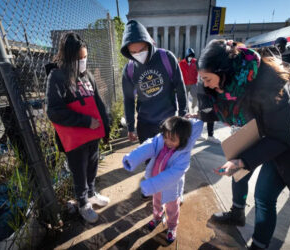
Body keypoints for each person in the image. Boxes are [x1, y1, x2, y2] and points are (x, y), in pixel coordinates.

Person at [196, 39, 290, 249]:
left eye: (208, 79)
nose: (206, 84)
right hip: (261, 130)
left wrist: (243, 160)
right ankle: (237, 214)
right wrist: (202, 111)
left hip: (289, 140)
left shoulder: (267, 81)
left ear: (224, 70)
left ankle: (260, 244)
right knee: (238, 172)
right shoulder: (226, 81)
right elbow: (217, 106)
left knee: (264, 194)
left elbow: (281, 137)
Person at [46, 32, 110, 223]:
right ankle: (83, 204)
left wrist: (105, 127)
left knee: (92, 167)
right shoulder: (56, 77)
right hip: (75, 139)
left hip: (92, 136)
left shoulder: (87, 75)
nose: (83, 62)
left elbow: (99, 103)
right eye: (78, 58)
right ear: (68, 57)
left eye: (85, 57)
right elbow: (54, 111)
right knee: (79, 173)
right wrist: (86, 121)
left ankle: (91, 194)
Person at [122, 116, 203, 242]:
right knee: (156, 203)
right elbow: (147, 146)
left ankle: (172, 227)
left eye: (172, 139)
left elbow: (172, 176)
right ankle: (157, 217)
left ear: (183, 140)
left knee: (172, 209)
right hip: (156, 185)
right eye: (165, 136)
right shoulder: (160, 142)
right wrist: (132, 158)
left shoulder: (183, 157)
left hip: (171, 188)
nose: (167, 141)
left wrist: (151, 185)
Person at [120, 20, 188, 144]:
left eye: (142, 50)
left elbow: (180, 87)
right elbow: (128, 100)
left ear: (149, 44)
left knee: (169, 159)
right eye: (133, 52)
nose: (138, 55)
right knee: (150, 162)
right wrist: (130, 127)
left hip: (168, 122)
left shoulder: (166, 58)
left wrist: (183, 114)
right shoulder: (129, 69)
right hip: (145, 125)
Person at [179, 48, 198, 113]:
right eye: (189, 56)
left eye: (192, 56)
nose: (191, 57)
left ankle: (193, 107)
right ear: (186, 56)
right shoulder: (181, 63)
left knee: (195, 96)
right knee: (185, 98)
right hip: (185, 83)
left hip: (193, 83)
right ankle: (187, 110)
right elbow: (179, 73)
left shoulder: (195, 62)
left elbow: (199, 71)